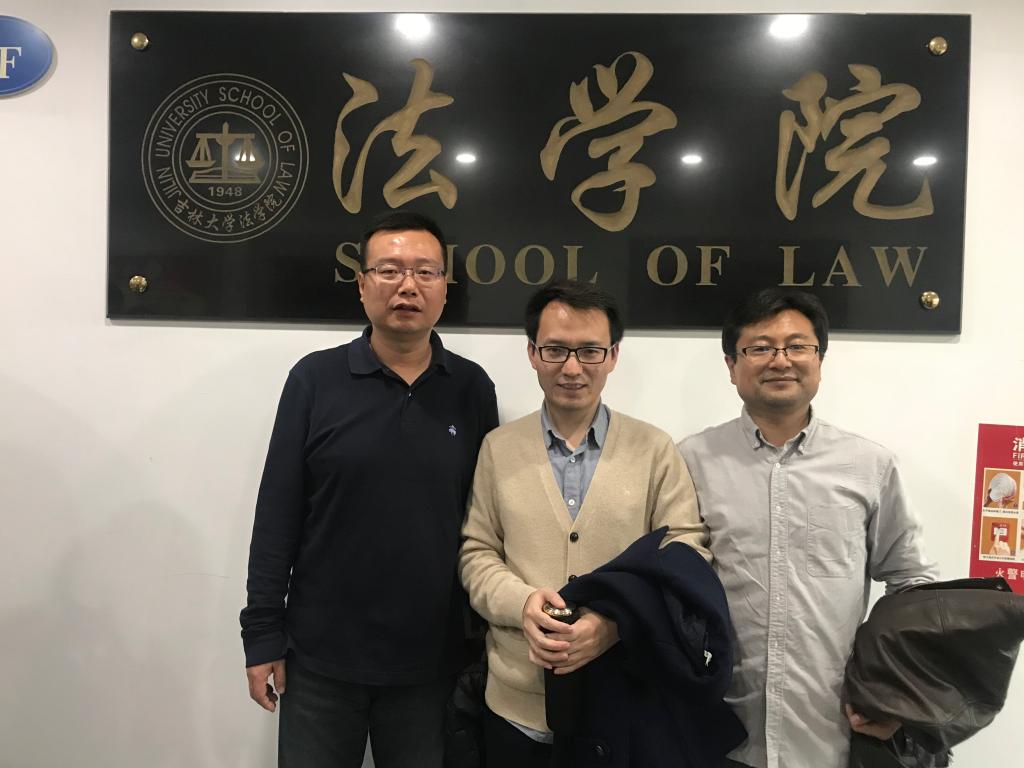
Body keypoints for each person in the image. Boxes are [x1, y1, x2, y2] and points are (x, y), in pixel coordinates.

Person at [240, 210, 498, 768]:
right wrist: (262, 635)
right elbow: (278, 514)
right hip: (320, 661)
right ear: (362, 285)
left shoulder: (471, 389)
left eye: (425, 272)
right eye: (389, 270)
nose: (407, 285)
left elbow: (486, 522)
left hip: (432, 663)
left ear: (445, 287)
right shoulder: (314, 379)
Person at [678, 288, 939, 768]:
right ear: (731, 365)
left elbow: (912, 584)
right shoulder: (690, 461)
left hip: (830, 738)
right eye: (760, 347)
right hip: (718, 735)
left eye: (797, 346)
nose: (781, 360)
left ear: (820, 359)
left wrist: (897, 695)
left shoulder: (869, 465)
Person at [459, 280, 710, 768]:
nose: (572, 368)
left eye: (590, 351)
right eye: (555, 349)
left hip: (623, 698)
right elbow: (476, 552)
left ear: (613, 355)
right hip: (516, 705)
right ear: (532, 353)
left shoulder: (654, 449)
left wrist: (615, 623)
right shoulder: (498, 448)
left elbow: (686, 555)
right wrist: (522, 603)